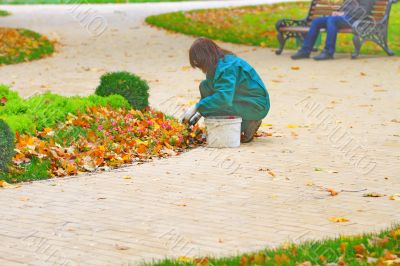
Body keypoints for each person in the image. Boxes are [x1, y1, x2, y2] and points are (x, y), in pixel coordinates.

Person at [182, 38, 270, 143]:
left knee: (217, 108)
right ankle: (243, 123)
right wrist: (199, 113)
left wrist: (197, 107)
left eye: (200, 65)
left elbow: (223, 99)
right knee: (205, 86)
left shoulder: (227, 68)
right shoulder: (218, 64)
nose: (201, 69)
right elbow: (211, 91)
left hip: (256, 106)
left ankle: (249, 123)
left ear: (205, 58)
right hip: (244, 100)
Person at [291, 0, 376, 60]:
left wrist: (344, 13)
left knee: (332, 20)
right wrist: (338, 12)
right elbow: (346, 7)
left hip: (356, 20)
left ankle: (328, 52)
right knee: (317, 21)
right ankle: (305, 51)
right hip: (344, 18)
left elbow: (364, 12)